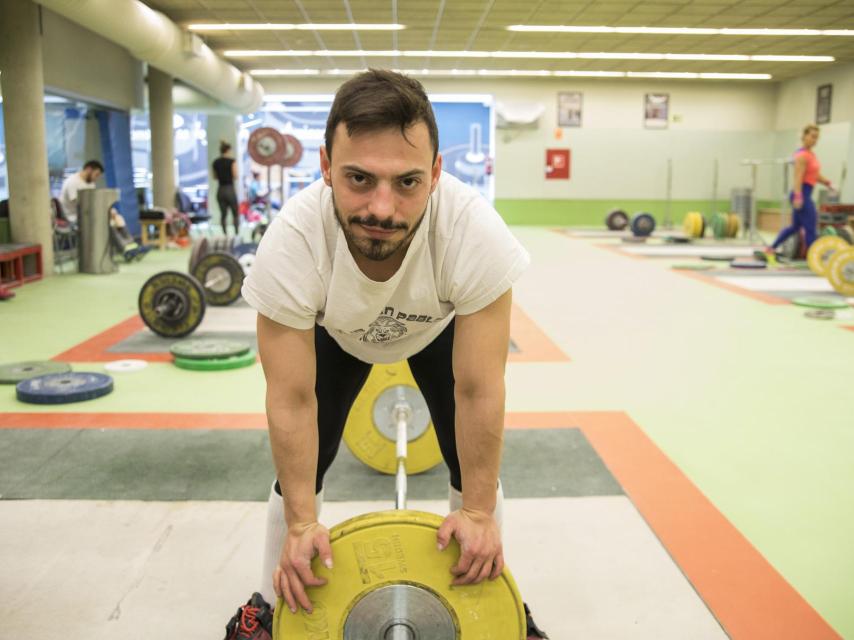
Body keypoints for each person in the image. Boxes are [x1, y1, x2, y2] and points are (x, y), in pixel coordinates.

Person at [226, 70, 549, 640]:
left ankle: (491, 606)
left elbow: (479, 389)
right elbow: (292, 398)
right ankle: (274, 608)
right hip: (337, 334)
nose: (382, 207)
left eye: (406, 182)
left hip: (435, 331)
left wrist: (476, 514)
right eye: (358, 178)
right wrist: (303, 522)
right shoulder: (295, 241)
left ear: (436, 173)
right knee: (302, 474)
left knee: (472, 473)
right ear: (325, 166)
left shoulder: (473, 232)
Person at [768, 124, 834, 256]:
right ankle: (814, 258)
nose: (815, 140)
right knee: (811, 228)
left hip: (805, 193)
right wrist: (798, 196)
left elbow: (814, 175)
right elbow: (798, 177)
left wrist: (828, 183)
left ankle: (771, 248)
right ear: (804, 136)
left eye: (817, 138)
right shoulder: (802, 155)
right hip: (801, 194)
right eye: (812, 136)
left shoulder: (811, 154)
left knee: (795, 227)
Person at [212, 141, 240, 236]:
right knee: (235, 213)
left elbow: (214, 177)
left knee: (223, 214)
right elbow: (235, 175)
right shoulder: (232, 161)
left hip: (220, 190)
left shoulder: (215, 162)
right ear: (228, 150)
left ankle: (225, 234)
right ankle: (236, 233)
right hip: (229, 189)